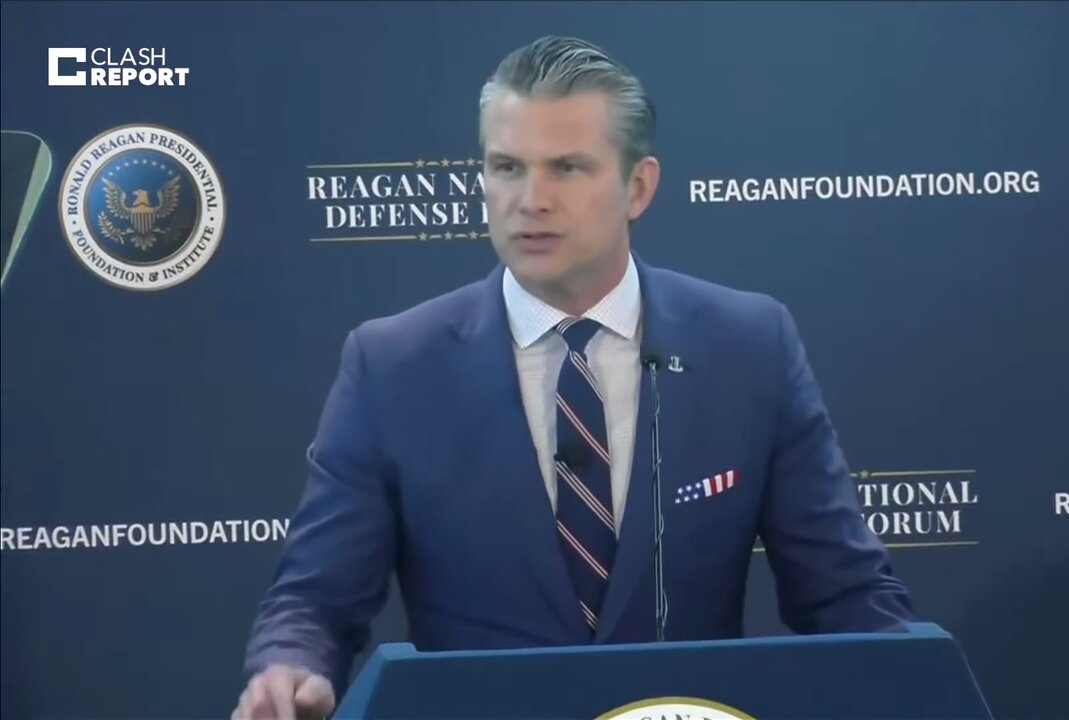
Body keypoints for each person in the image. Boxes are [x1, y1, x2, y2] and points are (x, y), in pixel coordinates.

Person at [232, 35, 914, 720]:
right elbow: (314, 602)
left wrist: (909, 684)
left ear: (638, 187)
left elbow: (845, 593)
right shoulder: (392, 367)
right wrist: (291, 669)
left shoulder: (749, 347)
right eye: (506, 167)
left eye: (567, 168)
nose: (531, 200)